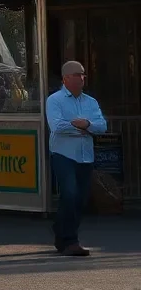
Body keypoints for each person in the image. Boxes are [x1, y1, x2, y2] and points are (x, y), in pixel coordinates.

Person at [45, 60, 107, 257]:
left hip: (85, 157)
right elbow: (57, 126)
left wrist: (86, 123)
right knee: (70, 194)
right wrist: (83, 128)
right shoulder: (55, 100)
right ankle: (71, 240)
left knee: (78, 199)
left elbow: (101, 126)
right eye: (76, 74)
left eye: (82, 74)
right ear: (65, 78)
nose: (81, 78)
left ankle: (60, 232)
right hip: (63, 154)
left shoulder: (91, 102)